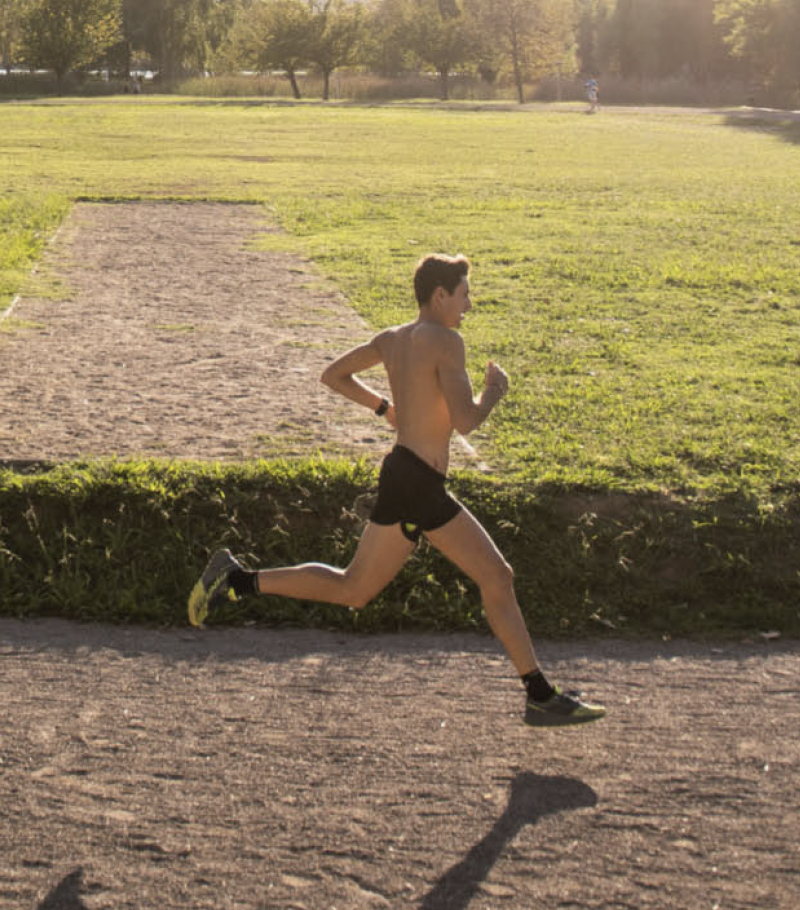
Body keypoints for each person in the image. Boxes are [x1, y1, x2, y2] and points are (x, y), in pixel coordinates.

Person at [188, 254, 604, 727]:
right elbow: (466, 420)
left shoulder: (392, 338)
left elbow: (333, 375)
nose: (469, 305)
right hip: (419, 484)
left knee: (354, 589)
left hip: (403, 474)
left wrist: (384, 408)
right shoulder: (447, 341)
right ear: (440, 295)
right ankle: (540, 694)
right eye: (464, 294)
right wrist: (494, 390)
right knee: (497, 576)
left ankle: (236, 580)